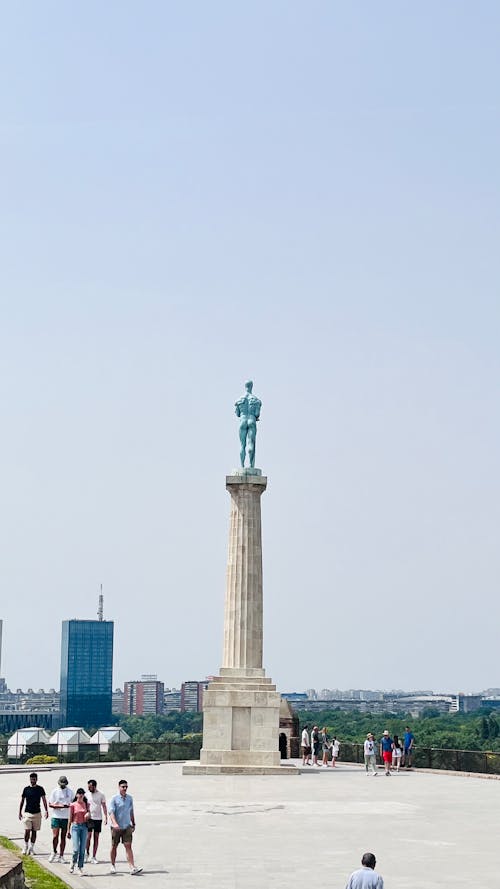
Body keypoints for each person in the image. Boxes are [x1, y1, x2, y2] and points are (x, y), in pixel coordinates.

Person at [108, 779, 142, 875]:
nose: (125, 788)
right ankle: (113, 865)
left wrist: (133, 823)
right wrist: (114, 823)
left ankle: (132, 867)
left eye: (126, 787)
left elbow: (131, 811)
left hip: (127, 826)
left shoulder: (129, 798)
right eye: (123, 787)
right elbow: (111, 812)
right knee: (114, 846)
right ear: (119, 787)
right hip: (117, 827)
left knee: (128, 846)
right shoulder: (114, 798)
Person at [18, 772, 48, 855]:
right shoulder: (26, 789)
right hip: (27, 813)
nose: (33, 781)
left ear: (36, 780)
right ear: (30, 779)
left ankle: (32, 848)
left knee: (34, 832)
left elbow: (44, 800)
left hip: (37, 813)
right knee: (27, 830)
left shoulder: (40, 789)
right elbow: (22, 801)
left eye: (34, 779)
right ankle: (25, 846)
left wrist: (46, 810)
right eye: (31, 779)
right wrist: (20, 812)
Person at [235, 380, 262, 469]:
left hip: (242, 420)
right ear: (252, 386)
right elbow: (257, 414)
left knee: (242, 445)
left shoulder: (239, 400)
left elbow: (238, 414)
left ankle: (242, 465)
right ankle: (251, 465)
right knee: (251, 443)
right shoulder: (257, 401)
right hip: (251, 420)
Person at [48, 775, 74, 863]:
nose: (62, 785)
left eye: (64, 784)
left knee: (63, 837)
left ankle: (61, 855)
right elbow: (50, 804)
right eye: (61, 784)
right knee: (55, 836)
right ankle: (54, 851)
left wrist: (69, 807)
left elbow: (73, 803)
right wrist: (60, 806)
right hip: (56, 816)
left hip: (66, 817)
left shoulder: (70, 792)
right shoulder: (55, 791)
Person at [67, 788, 90, 876]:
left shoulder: (86, 804)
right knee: (76, 849)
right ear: (76, 795)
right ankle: (73, 862)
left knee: (82, 848)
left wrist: (88, 814)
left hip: (84, 826)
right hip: (76, 826)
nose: (81, 795)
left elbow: (89, 814)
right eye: (79, 793)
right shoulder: (73, 805)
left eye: (82, 794)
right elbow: (70, 818)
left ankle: (80, 867)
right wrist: (68, 830)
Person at [86, 778, 108, 863]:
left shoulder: (101, 794)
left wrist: (106, 817)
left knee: (96, 837)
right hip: (89, 818)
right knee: (88, 837)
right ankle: (87, 853)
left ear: (94, 786)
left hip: (98, 818)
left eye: (90, 787)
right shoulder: (86, 794)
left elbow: (104, 806)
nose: (89, 788)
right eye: (88, 787)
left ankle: (94, 856)